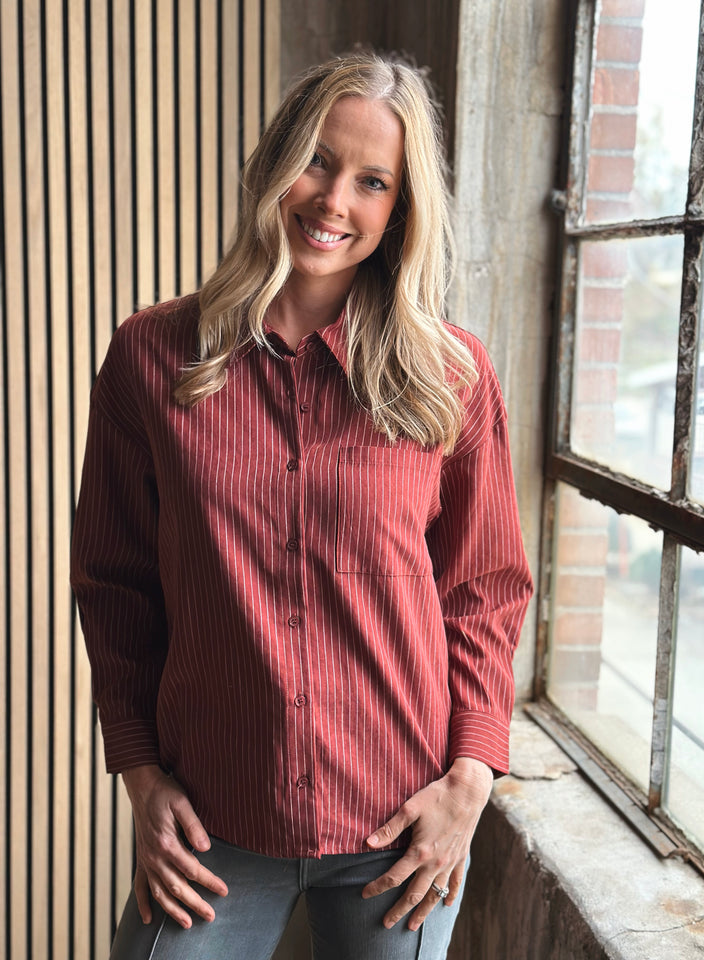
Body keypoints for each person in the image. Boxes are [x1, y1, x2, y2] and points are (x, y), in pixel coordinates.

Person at [71, 50, 533, 960]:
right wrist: (140, 777)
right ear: (276, 163)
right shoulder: (152, 357)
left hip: (401, 826)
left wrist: (470, 779)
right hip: (214, 818)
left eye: (372, 180)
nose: (333, 202)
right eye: (318, 160)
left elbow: (483, 590)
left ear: (400, 208)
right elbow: (115, 585)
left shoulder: (452, 378)